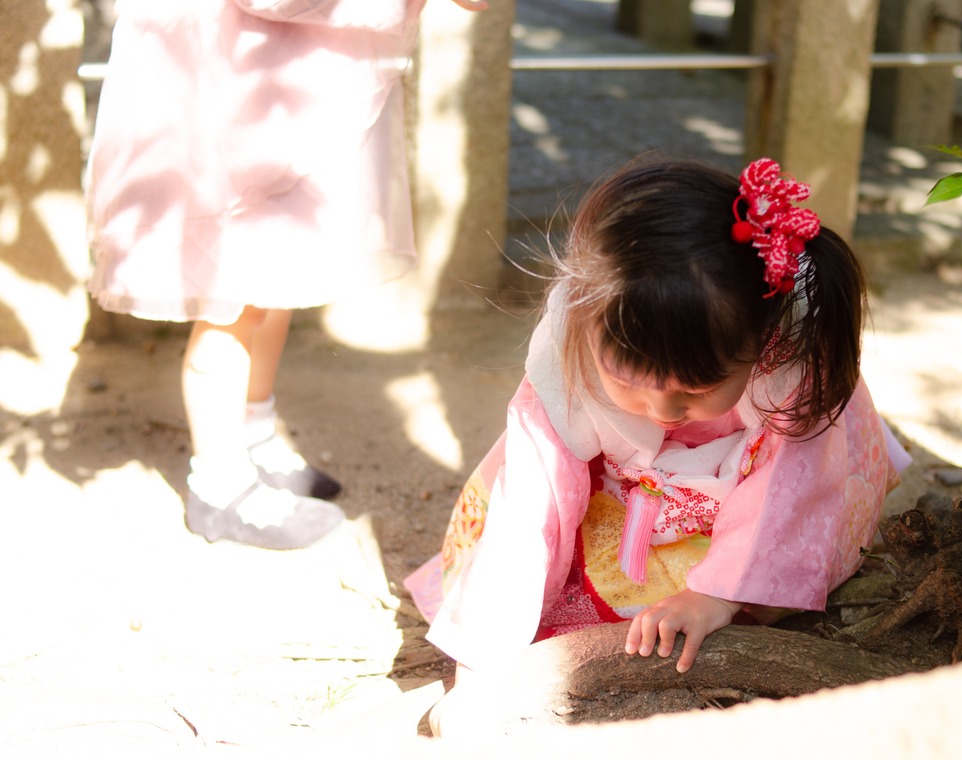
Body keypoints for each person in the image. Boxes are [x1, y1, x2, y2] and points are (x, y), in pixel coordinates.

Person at [403, 154, 912, 734]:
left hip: (760, 493)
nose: (662, 411)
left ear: (758, 342)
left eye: (696, 389)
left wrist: (716, 596)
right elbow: (529, 507)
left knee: (700, 602)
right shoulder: (571, 343)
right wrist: (479, 671)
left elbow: (789, 490)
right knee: (535, 532)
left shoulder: (790, 365)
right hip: (633, 476)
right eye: (630, 380)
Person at [85, 0, 487, 550]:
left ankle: (254, 432)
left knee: (274, 282)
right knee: (229, 298)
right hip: (234, 97)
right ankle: (220, 486)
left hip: (285, 91)